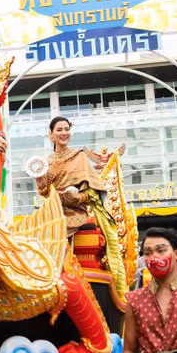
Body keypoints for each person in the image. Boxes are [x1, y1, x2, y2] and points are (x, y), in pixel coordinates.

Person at [34, 116, 125, 294]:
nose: (64, 133)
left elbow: (93, 193)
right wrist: (40, 183)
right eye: (59, 130)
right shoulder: (46, 162)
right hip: (53, 211)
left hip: (76, 212)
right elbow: (45, 193)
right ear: (51, 134)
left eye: (66, 129)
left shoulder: (80, 157)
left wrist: (77, 196)